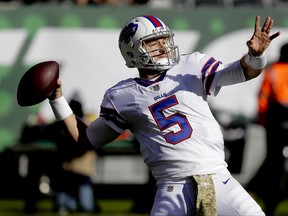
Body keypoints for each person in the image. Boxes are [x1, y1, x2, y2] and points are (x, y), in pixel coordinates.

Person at [47, 15, 280, 215]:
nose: (162, 46)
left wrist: (255, 56)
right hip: (172, 186)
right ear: (132, 51)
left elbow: (243, 72)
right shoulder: (122, 96)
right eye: (152, 42)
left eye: (164, 39)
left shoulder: (192, 65)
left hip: (219, 177)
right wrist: (56, 99)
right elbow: (85, 138)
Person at [247, 43, 288, 216]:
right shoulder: (274, 70)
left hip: (275, 121)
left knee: (273, 161)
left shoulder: (272, 70)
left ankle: (267, 196)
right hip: (278, 120)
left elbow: (263, 98)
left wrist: (263, 120)